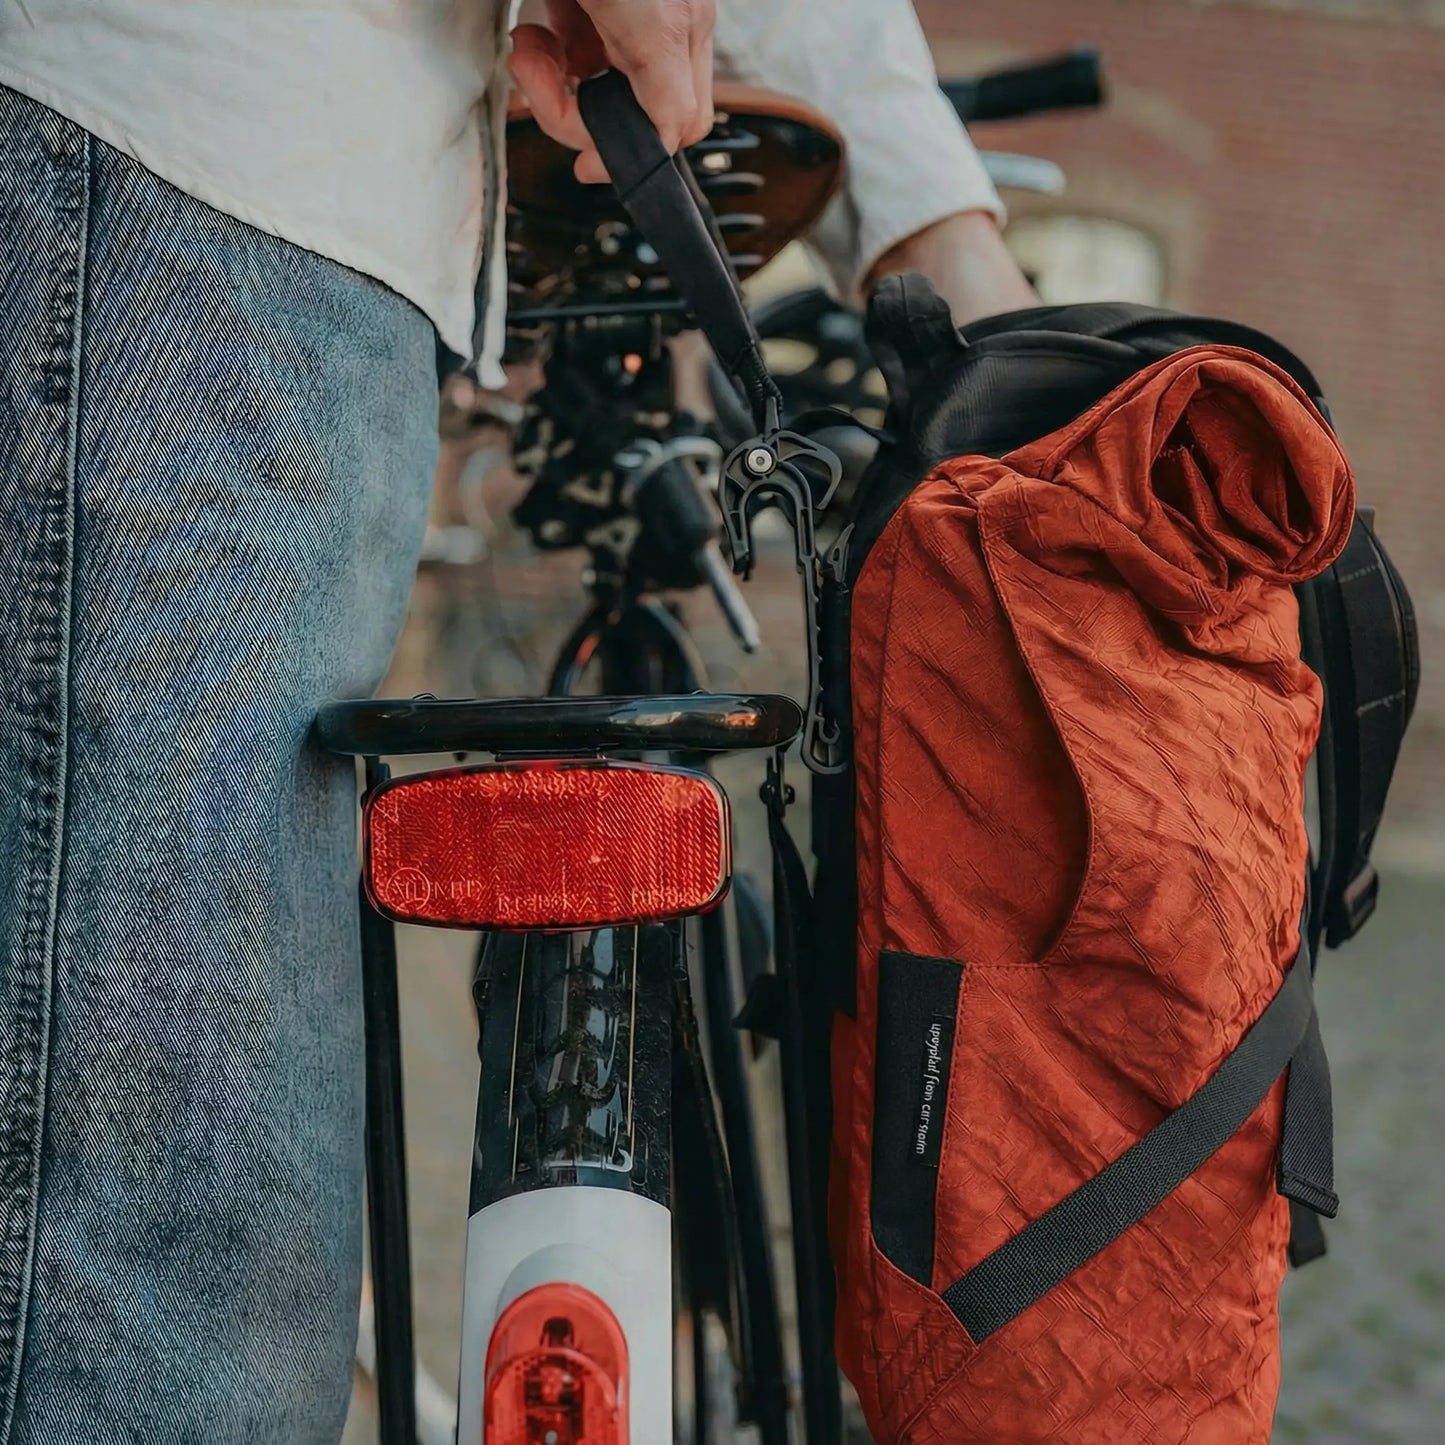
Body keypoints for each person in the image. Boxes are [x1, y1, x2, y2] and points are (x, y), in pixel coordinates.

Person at [0, 0, 1035, 1439]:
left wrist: (928, 216)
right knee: (169, 1262)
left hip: (290, 214)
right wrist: (947, 249)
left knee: (208, 1234)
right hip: (201, 163)